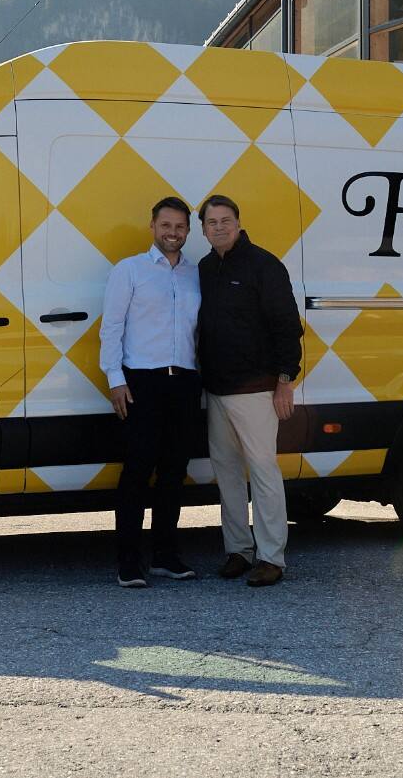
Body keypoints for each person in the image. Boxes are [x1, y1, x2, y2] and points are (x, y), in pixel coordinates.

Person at [196, 194, 303, 587]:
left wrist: (285, 381)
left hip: (257, 390)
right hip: (217, 392)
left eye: (225, 220)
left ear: (239, 223)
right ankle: (238, 550)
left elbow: (287, 326)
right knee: (226, 474)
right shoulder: (206, 268)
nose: (219, 227)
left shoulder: (264, 265)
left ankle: (272, 556)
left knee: (262, 472)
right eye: (211, 222)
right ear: (203, 229)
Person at [100, 196, 202, 588]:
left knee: (175, 472)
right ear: (153, 227)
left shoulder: (196, 274)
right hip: (141, 382)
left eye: (179, 227)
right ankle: (128, 561)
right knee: (137, 473)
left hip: (186, 382)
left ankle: (165, 556)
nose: (172, 233)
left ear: (188, 232)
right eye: (166, 226)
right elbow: (112, 327)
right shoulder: (130, 271)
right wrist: (115, 379)